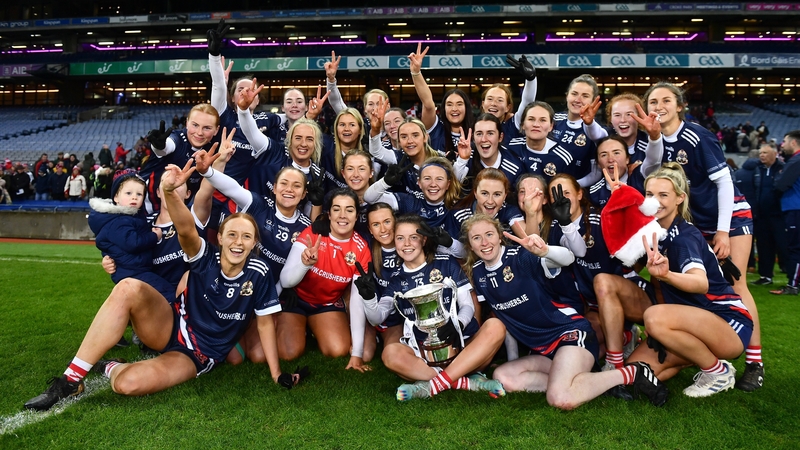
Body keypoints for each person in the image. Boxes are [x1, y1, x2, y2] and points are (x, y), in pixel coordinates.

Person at [24, 161, 302, 412]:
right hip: (170, 322)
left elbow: (266, 324)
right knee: (128, 287)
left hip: (195, 353)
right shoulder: (206, 257)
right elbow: (185, 229)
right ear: (220, 237)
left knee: (127, 384)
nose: (238, 242)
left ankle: (109, 365)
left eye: (246, 237)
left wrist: (276, 374)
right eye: (231, 234)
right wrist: (170, 191)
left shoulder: (259, 272)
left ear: (255, 243)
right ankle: (70, 380)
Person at [461, 215, 667, 408]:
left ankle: (633, 372)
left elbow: (568, 259)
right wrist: (513, 358)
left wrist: (545, 252)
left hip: (569, 335)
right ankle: (590, 385)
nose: (484, 243)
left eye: (489, 235)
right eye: (477, 238)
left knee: (560, 398)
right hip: (545, 349)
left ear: (499, 236)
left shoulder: (519, 258)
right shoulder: (479, 273)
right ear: (470, 245)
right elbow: (503, 319)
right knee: (503, 376)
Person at [643, 81, 762, 391]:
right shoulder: (655, 140)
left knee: (736, 284)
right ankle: (703, 351)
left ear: (680, 106)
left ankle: (754, 362)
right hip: (698, 221)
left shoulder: (697, 136)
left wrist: (722, 231)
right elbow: (649, 175)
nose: (659, 105)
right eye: (653, 100)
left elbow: (724, 184)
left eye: (666, 99)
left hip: (729, 216)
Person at [624, 163, 753, 398]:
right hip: (689, 322)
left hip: (726, 322)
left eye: (664, 195)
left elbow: (700, 283)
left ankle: (717, 371)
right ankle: (690, 357)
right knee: (634, 374)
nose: (656, 201)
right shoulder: (653, 233)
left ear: (679, 199)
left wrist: (667, 275)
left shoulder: (684, 237)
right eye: (651, 194)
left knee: (653, 317)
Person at [360, 214, 506, 401]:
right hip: (425, 356)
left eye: (413, 237)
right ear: (394, 242)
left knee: (495, 326)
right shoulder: (396, 280)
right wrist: (369, 298)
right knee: (390, 353)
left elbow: (467, 305)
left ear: (423, 239)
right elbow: (376, 318)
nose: (407, 243)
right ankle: (465, 381)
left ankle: (430, 385)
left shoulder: (445, 262)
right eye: (400, 238)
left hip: (464, 348)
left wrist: (457, 325)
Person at [278, 188, 374, 371]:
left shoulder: (361, 249)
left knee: (338, 349)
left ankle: (314, 328)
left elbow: (356, 300)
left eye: (349, 210)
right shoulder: (313, 234)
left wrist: (357, 354)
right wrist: (305, 264)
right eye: (337, 209)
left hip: (326, 304)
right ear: (329, 214)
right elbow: (285, 281)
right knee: (288, 352)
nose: (343, 215)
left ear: (357, 216)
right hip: (296, 299)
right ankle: (293, 325)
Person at [88, 170, 174, 302]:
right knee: (167, 294)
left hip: (136, 270)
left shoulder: (131, 217)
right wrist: (154, 236)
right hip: (133, 272)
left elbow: (111, 245)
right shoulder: (119, 220)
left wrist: (106, 257)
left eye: (139, 194)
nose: (134, 197)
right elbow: (132, 243)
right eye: (128, 193)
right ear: (115, 197)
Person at [140, 104, 220, 213]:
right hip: (144, 207)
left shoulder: (213, 149)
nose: (199, 133)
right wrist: (159, 146)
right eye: (195, 125)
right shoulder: (176, 138)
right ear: (187, 123)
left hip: (177, 213)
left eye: (207, 128)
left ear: (216, 130)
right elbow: (166, 146)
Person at [409, 43, 473, 156]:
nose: (454, 109)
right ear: (443, 108)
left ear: (466, 107)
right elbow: (428, 104)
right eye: (449, 104)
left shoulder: (477, 131)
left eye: (459, 104)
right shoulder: (436, 128)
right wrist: (416, 73)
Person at [737, 142, 786, 286]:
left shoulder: (782, 169)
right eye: (760, 153)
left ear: (774, 154)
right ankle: (765, 275)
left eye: (765, 153)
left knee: (784, 246)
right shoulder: (758, 169)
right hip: (761, 215)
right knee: (764, 246)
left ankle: (792, 277)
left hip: (778, 215)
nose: (762, 156)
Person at [454, 113, 527, 194]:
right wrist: (462, 159)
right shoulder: (468, 155)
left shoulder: (514, 167)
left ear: (500, 137)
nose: (484, 139)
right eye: (479, 134)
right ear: (473, 138)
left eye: (490, 133)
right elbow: (452, 186)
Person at [480, 55, 538, 147]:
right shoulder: (474, 126)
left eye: (500, 100)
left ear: (508, 107)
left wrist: (531, 79)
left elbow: (527, 102)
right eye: (490, 99)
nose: (494, 104)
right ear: (483, 104)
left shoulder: (514, 124)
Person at [773, 130, 800, 296]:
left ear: (793, 142)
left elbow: (780, 185)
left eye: (785, 141)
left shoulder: (796, 160)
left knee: (795, 248)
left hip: (794, 208)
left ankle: (793, 284)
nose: (782, 145)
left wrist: (778, 178)